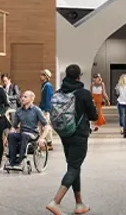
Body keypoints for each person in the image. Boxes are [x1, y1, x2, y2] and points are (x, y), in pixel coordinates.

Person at [46, 63, 99, 215]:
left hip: (64, 134)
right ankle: (55, 201)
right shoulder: (82, 93)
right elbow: (93, 115)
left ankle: (79, 204)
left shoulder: (59, 92)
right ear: (79, 76)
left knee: (73, 166)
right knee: (75, 167)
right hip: (79, 134)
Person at [6, 90, 50, 170]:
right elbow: (14, 126)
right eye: (22, 96)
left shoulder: (36, 110)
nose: (22, 98)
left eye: (25, 97)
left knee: (24, 134)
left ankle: (20, 160)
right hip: (23, 133)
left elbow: (47, 126)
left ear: (31, 99)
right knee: (12, 135)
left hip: (33, 134)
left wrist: (42, 138)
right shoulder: (19, 111)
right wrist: (8, 136)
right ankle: (12, 161)